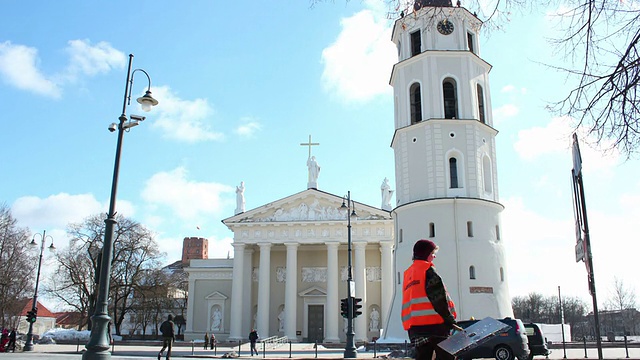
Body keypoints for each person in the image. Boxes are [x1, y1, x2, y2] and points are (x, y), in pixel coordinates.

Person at [402, 239, 460, 360]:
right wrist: (450, 320)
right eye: (432, 253)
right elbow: (439, 300)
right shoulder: (427, 271)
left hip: (415, 328)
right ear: (426, 254)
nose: (434, 257)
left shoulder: (408, 274)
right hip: (436, 326)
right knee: (446, 357)